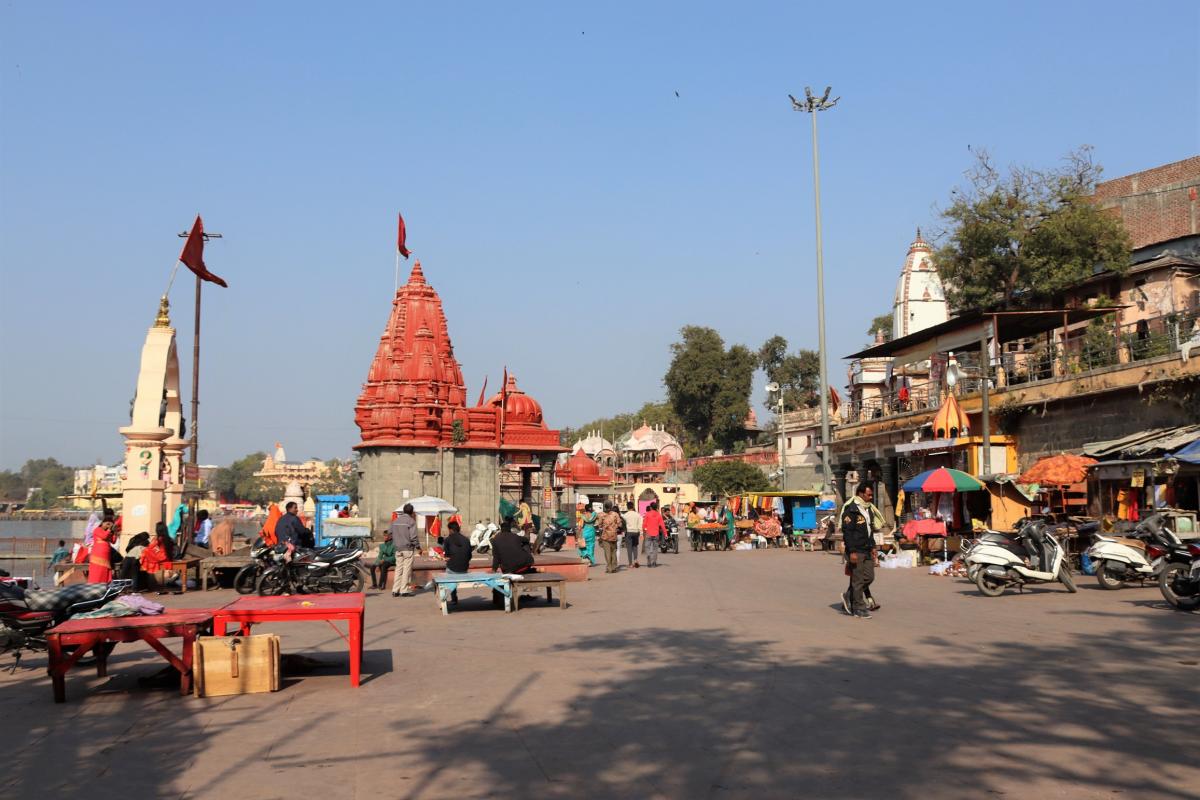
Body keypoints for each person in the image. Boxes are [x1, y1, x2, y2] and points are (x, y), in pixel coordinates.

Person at [840, 482, 883, 619]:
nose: (871, 497)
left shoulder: (869, 509)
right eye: (869, 494)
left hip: (867, 549)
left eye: (871, 494)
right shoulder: (851, 509)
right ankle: (858, 608)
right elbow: (847, 532)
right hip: (856, 550)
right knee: (857, 580)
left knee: (869, 577)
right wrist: (851, 551)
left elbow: (869, 531)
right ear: (861, 493)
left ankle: (849, 595)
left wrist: (874, 546)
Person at [491, 519, 535, 608]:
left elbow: (496, 557)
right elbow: (526, 540)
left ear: (501, 529)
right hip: (523, 565)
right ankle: (528, 563)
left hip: (508, 568)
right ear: (510, 529)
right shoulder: (515, 536)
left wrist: (494, 569)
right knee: (525, 544)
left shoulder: (495, 539)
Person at [390, 503, 421, 597]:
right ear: (411, 512)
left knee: (398, 569)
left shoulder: (395, 521)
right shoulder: (411, 521)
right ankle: (404, 590)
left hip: (398, 548)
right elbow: (413, 537)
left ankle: (395, 590)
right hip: (407, 548)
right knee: (406, 570)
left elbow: (389, 532)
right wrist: (418, 547)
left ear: (403, 511)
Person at [441, 520, 473, 606]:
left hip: (453, 569)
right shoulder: (466, 539)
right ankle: (454, 598)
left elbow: (447, 557)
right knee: (452, 567)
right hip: (464, 568)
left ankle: (453, 599)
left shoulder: (447, 540)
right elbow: (470, 556)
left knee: (449, 571)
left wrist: (447, 558)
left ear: (451, 530)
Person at [598, 502, 622, 573]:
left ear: (605, 506)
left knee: (607, 552)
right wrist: (615, 527)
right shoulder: (615, 514)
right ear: (611, 506)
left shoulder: (601, 515)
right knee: (613, 551)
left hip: (605, 535)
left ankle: (609, 568)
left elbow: (599, 525)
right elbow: (620, 524)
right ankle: (614, 567)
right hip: (613, 535)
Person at [642, 501, 667, 568]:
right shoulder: (659, 515)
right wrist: (665, 533)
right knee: (655, 549)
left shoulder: (647, 514)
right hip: (656, 533)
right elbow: (662, 525)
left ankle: (649, 558)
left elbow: (644, 524)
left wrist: (644, 530)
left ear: (651, 507)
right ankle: (653, 562)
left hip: (648, 533)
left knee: (647, 547)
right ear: (656, 507)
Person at [621, 501, 642, 568]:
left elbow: (623, 525)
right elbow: (640, 524)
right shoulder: (638, 515)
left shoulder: (625, 515)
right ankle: (635, 560)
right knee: (635, 546)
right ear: (633, 506)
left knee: (629, 548)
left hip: (628, 532)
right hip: (636, 532)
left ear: (627, 507)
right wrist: (641, 533)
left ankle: (630, 564)